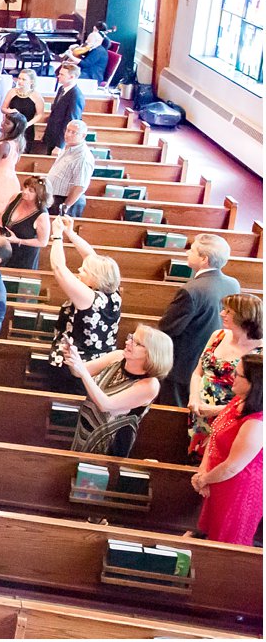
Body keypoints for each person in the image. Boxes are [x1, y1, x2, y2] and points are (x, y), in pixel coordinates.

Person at [160, 233, 244, 407]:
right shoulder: (233, 284)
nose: (186, 253)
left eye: (191, 251)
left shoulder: (191, 290)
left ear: (204, 259)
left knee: (173, 413)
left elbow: (169, 328)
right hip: (213, 360)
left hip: (183, 365)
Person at [44, 216, 123, 396]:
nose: (79, 271)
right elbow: (91, 256)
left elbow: (58, 268)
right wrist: (70, 233)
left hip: (78, 364)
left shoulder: (89, 298)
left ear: (96, 278)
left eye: (84, 271)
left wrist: (57, 236)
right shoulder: (113, 291)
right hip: (100, 362)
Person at [65, 325, 173, 457]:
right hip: (86, 428)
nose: (128, 342)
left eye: (137, 343)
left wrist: (82, 370)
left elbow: (106, 405)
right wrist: (72, 357)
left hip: (111, 443)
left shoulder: (150, 385)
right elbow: (78, 371)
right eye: (131, 337)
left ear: (152, 354)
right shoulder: (117, 356)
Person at [193, 353, 264, 545]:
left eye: (238, 374)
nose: (232, 375)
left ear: (253, 384)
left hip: (237, 488)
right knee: (210, 534)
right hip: (216, 477)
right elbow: (215, 435)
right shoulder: (239, 400)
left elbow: (233, 467)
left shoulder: (257, 423)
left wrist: (204, 479)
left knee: (226, 540)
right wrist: (203, 473)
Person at [188, 293, 263, 457]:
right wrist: (194, 398)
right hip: (199, 412)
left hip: (230, 418)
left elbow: (257, 400)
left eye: (228, 311)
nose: (222, 314)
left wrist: (215, 411)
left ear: (245, 316)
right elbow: (198, 372)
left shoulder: (260, 352)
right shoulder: (218, 335)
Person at [0, 175, 51, 270]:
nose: (25, 191)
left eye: (31, 191)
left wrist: (18, 240)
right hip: (4, 248)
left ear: (40, 195)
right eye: (25, 187)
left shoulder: (42, 215)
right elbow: (4, 213)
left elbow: (43, 242)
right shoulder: (17, 197)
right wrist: (1, 227)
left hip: (23, 255)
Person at [40, 61, 85, 154]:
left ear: (71, 77)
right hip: (52, 134)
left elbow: (71, 122)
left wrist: (60, 145)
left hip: (60, 139)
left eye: (62, 74)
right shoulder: (61, 89)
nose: (58, 76)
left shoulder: (76, 96)